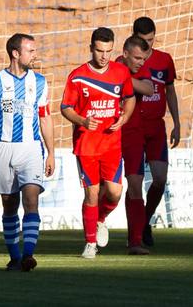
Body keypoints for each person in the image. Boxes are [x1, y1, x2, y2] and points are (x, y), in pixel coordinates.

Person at [0, 33, 56, 272]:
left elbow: (45, 117)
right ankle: (15, 257)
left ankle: (29, 255)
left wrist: (50, 151)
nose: (34, 55)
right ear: (15, 53)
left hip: (31, 147)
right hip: (3, 147)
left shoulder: (40, 82)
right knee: (9, 205)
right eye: (30, 51)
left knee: (32, 200)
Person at [60, 27, 134, 259]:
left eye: (108, 51)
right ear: (91, 48)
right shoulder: (77, 76)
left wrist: (124, 118)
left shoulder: (121, 73)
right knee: (91, 193)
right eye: (100, 51)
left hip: (112, 143)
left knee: (114, 193)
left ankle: (100, 219)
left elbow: (129, 99)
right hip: (87, 146)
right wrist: (83, 120)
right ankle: (90, 243)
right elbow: (65, 108)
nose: (104, 56)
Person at [122, 17, 181, 249]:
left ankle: (144, 220)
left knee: (160, 179)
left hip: (156, 126)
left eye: (151, 39)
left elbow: (170, 90)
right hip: (133, 127)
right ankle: (135, 232)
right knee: (134, 182)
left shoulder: (164, 59)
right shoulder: (126, 61)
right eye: (144, 41)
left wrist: (176, 122)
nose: (148, 46)